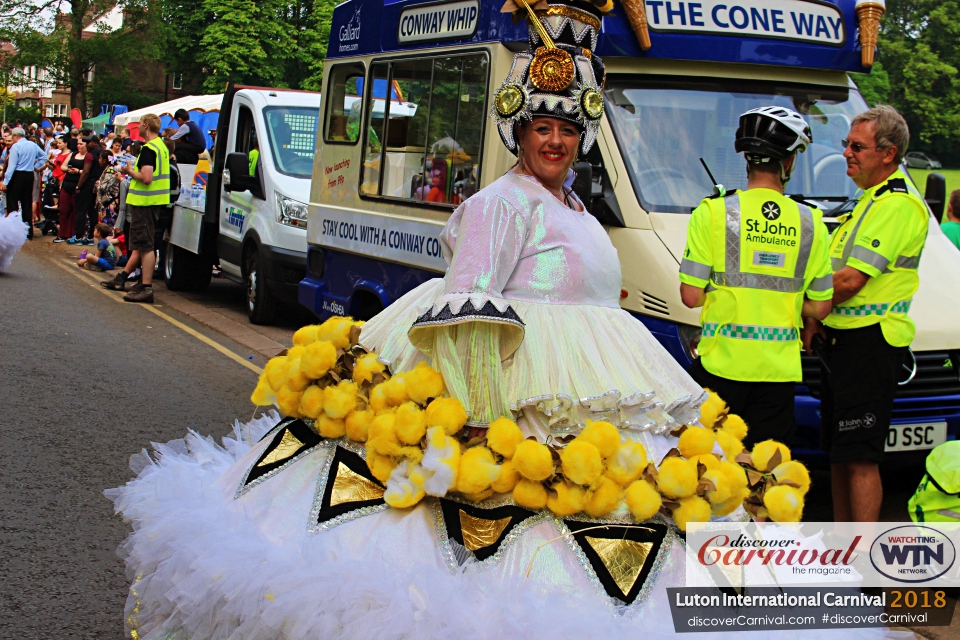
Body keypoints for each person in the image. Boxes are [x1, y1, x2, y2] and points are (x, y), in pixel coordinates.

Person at [105, 4, 809, 637]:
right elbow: (467, 305)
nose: (556, 141)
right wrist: (478, 420)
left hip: (586, 392)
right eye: (542, 128)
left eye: (568, 128)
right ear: (520, 132)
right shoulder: (501, 203)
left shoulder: (574, 208)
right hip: (508, 397)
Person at [679, 106, 834, 448]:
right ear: (788, 162)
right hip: (777, 375)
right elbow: (821, 309)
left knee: (708, 472)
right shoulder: (812, 223)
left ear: (747, 159)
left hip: (721, 367)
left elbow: (690, 296)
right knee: (766, 476)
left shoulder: (714, 212)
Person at [803, 105, 928, 522]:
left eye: (857, 146)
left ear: (888, 153)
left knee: (859, 457)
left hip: (870, 343)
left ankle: (864, 563)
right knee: (840, 454)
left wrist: (795, 306)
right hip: (843, 343)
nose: (846, 154)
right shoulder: (868, 201)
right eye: (846, 144)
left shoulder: (896, 205)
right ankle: (844, 549)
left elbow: (850, 281)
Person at [100, 114, 170, 303]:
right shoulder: (161, 146)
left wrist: (129, 171)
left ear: (146, 125)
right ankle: (131, 280)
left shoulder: (148, 149)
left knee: (146, 246)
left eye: (139, 124)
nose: (137, 127)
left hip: (145, 203)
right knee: (142, 243)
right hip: (155, 202)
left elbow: (146, 177)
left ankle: (146, 287)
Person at [0, 127, 44, 240]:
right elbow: (43, 157)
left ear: (15, 136)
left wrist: (5, 182)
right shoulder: (33, 145)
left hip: (17, 175)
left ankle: (13, 232)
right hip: (29, 175)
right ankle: (28, 232)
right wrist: (36, 167)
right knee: (26, 204)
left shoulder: (16, 147)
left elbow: (11, 167)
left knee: (12, 204)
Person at [54, 138, 82, 244]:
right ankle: (62, 234)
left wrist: (78, 171)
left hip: (78, 186)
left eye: (81, 144)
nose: (79, 145)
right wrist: (69, 170)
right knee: (64, 210)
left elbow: (88, 171)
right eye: (78, 144)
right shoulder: (72, 154)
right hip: (67, 184)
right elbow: (63, 167)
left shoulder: (88, 156)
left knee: (76, 211)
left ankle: (75, 234)